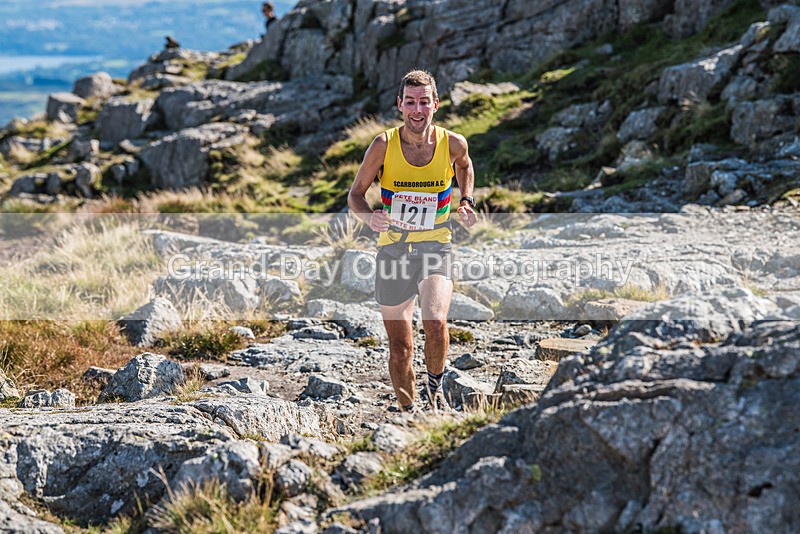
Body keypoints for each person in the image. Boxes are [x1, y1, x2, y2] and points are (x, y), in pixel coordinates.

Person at [348, 69, 478, 413]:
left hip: (436, 245)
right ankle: (409, 414)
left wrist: (466, 200)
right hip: (392, 250)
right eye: (410, 103)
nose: (417, 110)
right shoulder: (383, 145)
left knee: (435, 323)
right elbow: (355, 196)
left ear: (435, 104)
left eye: (424, 102)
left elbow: (465, 166)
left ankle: (435, 389)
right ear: (400, 105)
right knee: (400, 348)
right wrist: (369, 216)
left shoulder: (453, 143)